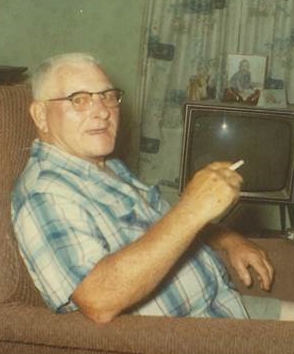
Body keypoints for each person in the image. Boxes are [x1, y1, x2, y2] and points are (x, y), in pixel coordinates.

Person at [11, 53, 292, 324]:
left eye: (108, 96)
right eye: (79, 100)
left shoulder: (105, 167)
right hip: (190, 334)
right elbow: (99, 300)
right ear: (40, 115)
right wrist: (192, 209)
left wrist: (228, 238)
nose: (102, 112)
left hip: (223, 304)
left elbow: (164, 229)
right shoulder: (46, 193)